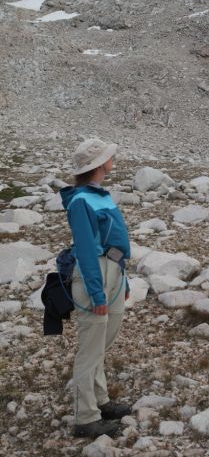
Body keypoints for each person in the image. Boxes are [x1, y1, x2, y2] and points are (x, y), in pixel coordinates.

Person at [60, 138, 132, 439]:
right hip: (95, 276)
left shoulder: (99, 195)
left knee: (103, 342)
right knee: (90, 350)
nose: (112, 158)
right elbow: (87, 249)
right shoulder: (80, 201)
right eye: (108, 156)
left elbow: (114, 240)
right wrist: (97, 292)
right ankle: (85, 417)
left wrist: (123, 279)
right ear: (98, 165)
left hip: (113, 270)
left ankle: (101, 401)